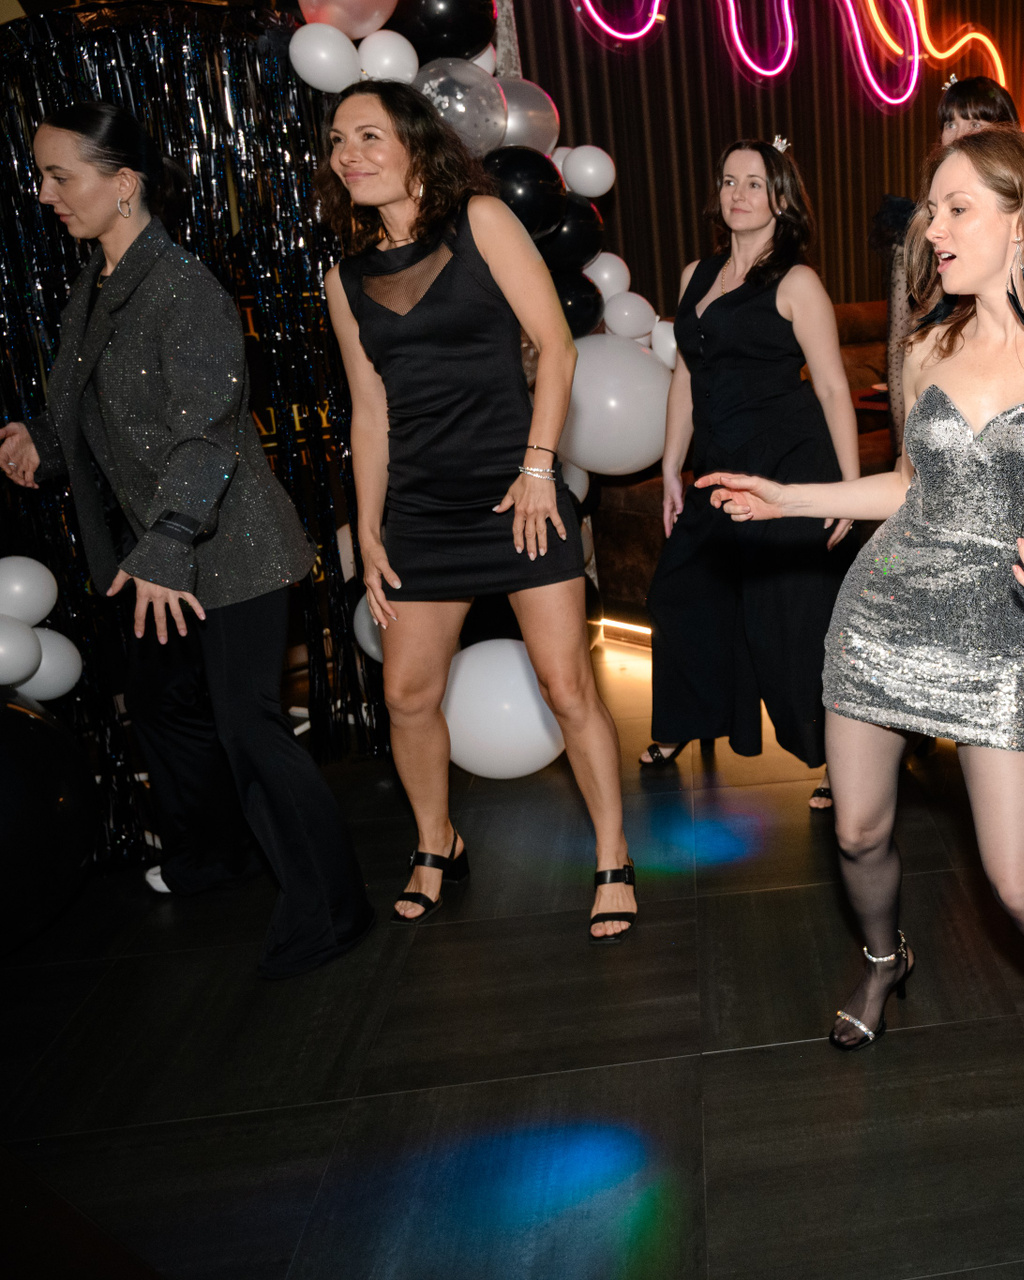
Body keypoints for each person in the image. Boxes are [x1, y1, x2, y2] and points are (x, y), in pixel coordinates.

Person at [698, 126, 1024, 1141]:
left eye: (956, 209)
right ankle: (881, 958)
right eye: (931, 210)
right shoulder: (930, 346)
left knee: (1018, 882)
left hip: (1007, 630)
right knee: (857, 831)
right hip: (886, 609)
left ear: (1021, 221)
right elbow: (911, 489)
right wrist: (788, 496)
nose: (931, 229)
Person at [0, 103, 372, 978]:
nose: (45, 193)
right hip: (157, 555)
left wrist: (167, 545)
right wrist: (44, 443)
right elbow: (92, 402)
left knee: (248, 728)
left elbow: (205, 435)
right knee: (162, 703)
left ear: (123, 185)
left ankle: (333, 909)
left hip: (229, 548)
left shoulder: (184, 290)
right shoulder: (98, 282)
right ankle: (217, 852)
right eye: (44, 175)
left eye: (61, 176)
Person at [320, 81, 634, 942]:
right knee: (406, 694)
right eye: (339, 139)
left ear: (416, 144)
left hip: (517, 494)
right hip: (422, 510)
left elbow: (558, 349)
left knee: (566, 684)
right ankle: (437, 842)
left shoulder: (481, 223)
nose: (349, 154)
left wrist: (538, 469)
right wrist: (370, 527)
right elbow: (370, 414)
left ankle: (612, 853)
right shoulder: (344, 280)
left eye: (369, 135)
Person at [646, 139, 859, 812]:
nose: (738, 194)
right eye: (728, 181)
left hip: (789, 466)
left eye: (755, 183)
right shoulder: (696, 275)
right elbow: (686, 377)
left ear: (781, 199)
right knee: (679, 594)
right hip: (716, 468)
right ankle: (685, 720)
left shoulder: (796, 282)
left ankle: (840, 762)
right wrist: (671, 466)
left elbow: (832, 388)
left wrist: (848, 492)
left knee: (792, 624)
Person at [883, 77, 1021, 441]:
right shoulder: (920, 234)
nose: (958, 135)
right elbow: (900, 346)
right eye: (949, 123)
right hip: (942, 401)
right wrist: (904, 446)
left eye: (974, 123)